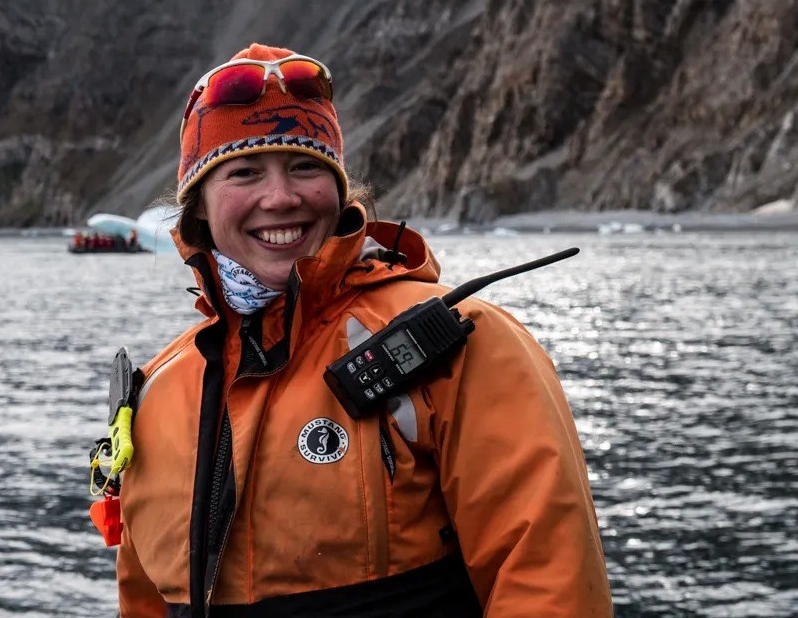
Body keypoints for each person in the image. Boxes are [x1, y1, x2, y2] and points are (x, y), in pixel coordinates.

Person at [110, 44, 610, 616]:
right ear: (198, 206)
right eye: (245, 172)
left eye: (305, 167)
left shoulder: (463, 341)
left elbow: (549, 578)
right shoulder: (156, 393)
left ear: (341, 191)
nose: (281, 197)